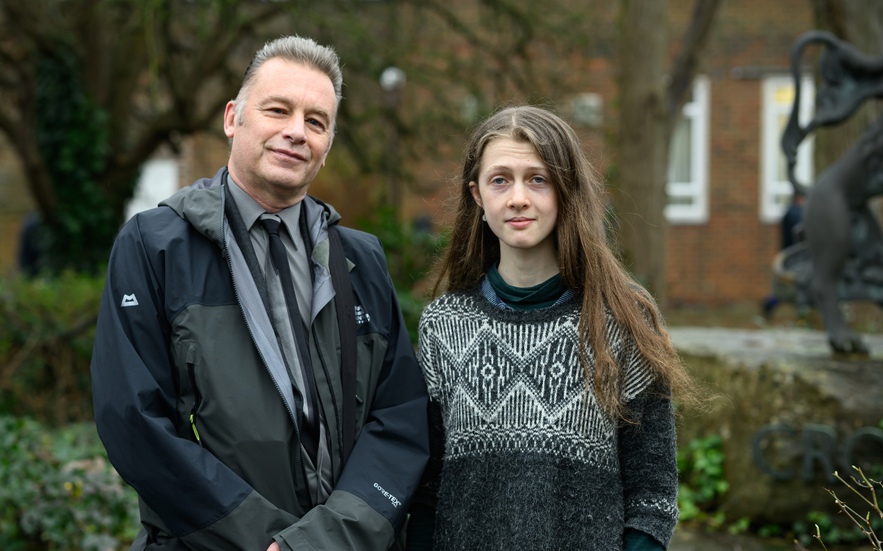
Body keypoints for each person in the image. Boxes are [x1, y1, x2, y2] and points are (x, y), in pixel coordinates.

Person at [91, 36, 428, 551]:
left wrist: (322, 541)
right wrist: (267, 542)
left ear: (328, 144)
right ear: (233, 118)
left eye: (316, 121)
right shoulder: (152, 246)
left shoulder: (362, 261)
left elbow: (399, 417)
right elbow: (135, 422)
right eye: (277, 110)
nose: (296, 132)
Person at [405, 106, 693, 550]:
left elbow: (652, 496)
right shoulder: (445, 327)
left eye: (537, 179)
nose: (518, 197)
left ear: (565, 191)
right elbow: (425, 492)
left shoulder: (622, 318)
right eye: (500, 179)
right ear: (477, 196)